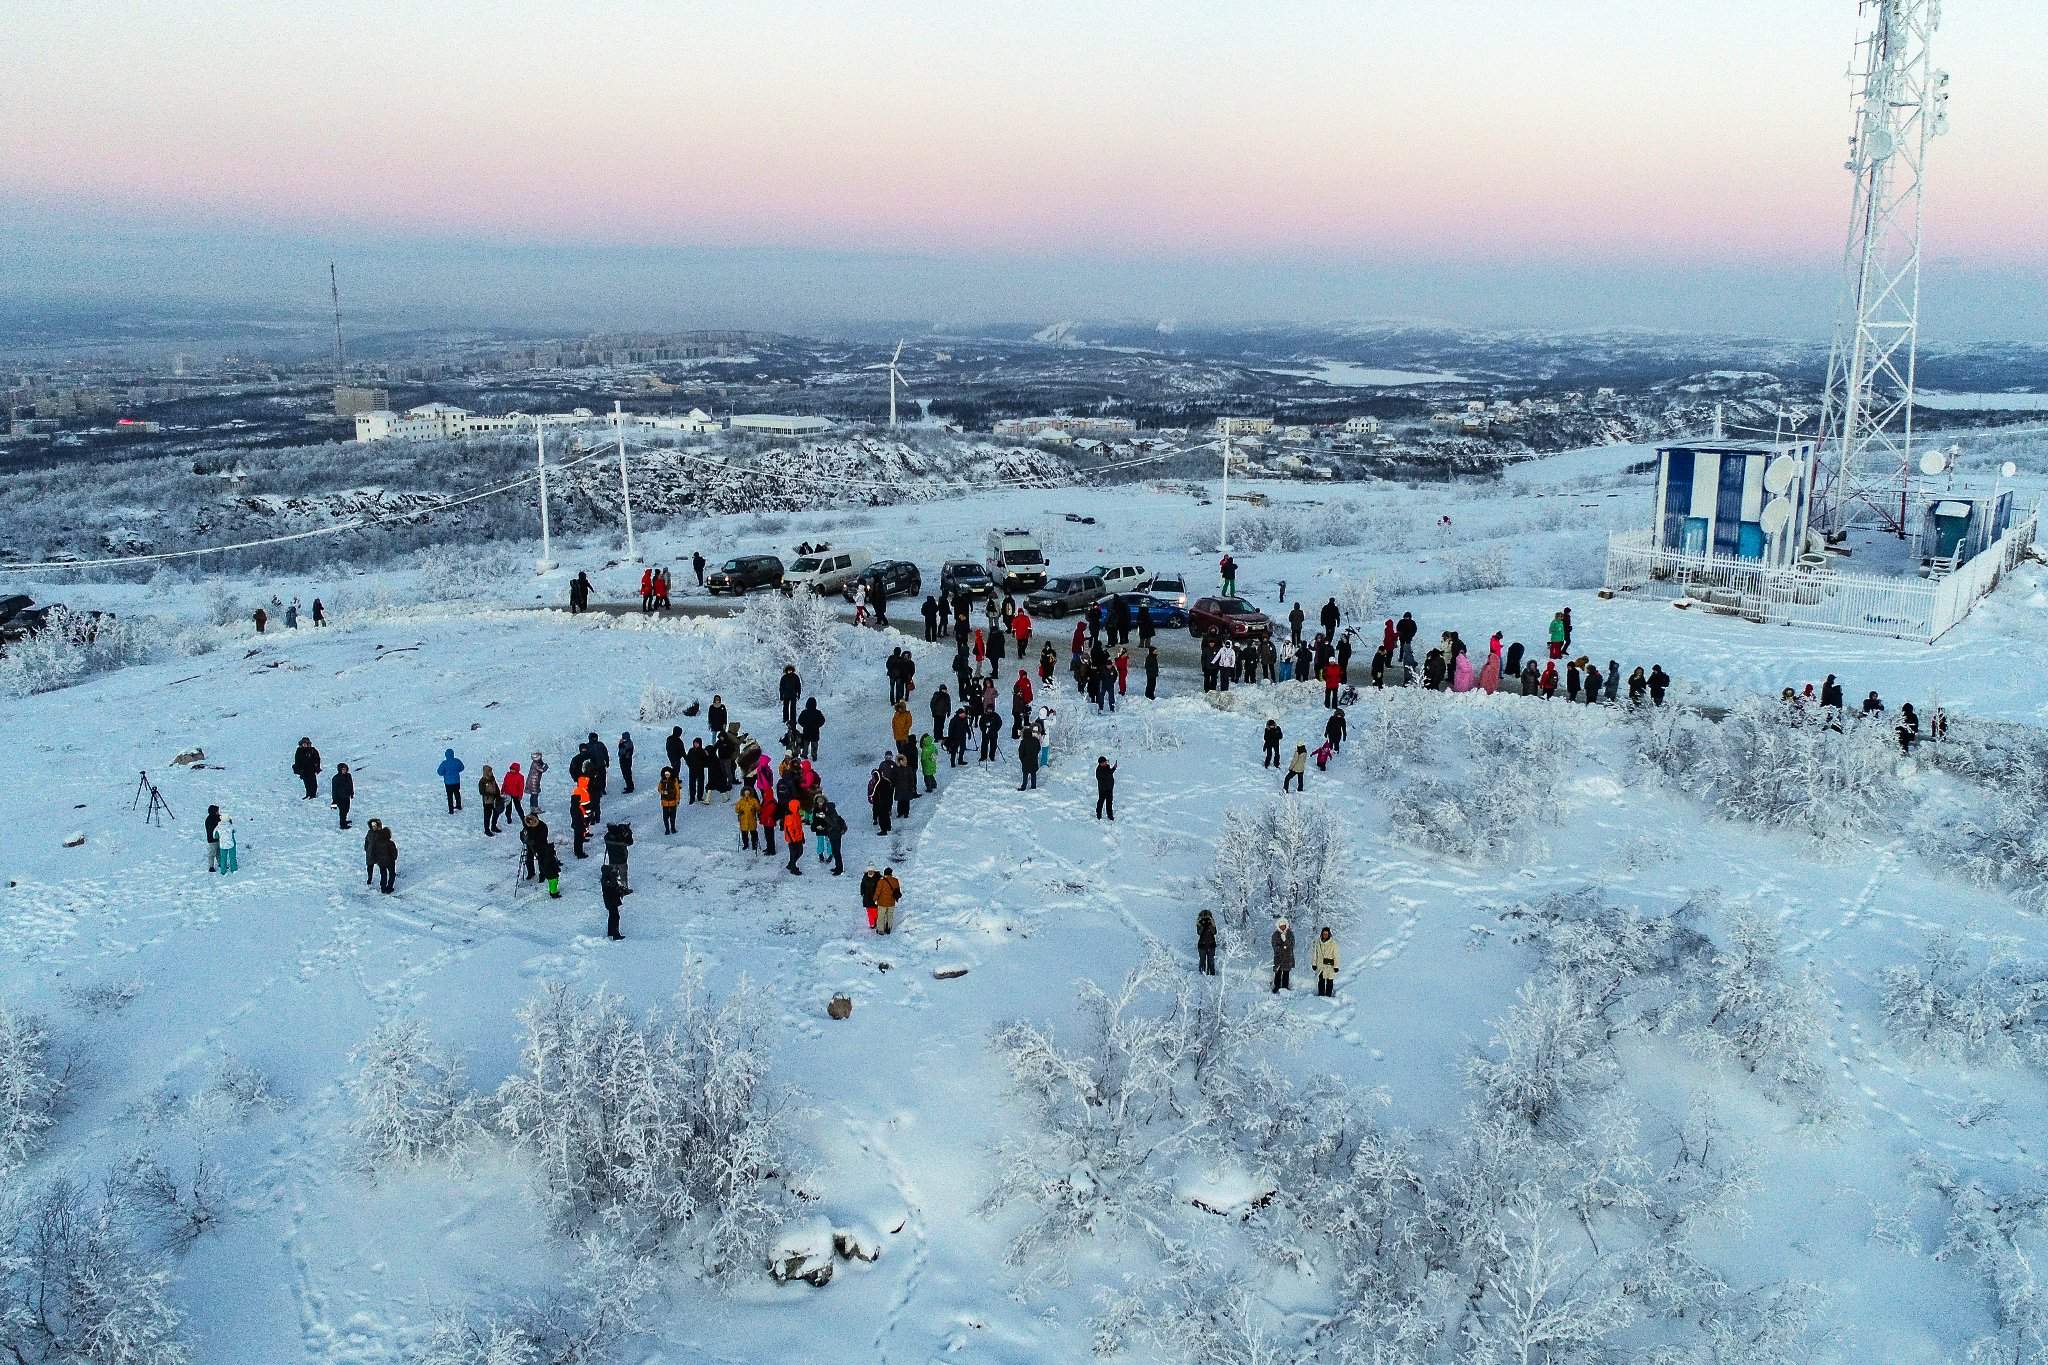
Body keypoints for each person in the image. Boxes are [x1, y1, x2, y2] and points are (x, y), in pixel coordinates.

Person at [1312, 927, 1339, 998]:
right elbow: (1315, 954)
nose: (1325, 935)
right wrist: (1314, 963)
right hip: (1320, 965)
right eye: (1324, 934)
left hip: (1329, 965)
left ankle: (1328, 996)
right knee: (1321, 981)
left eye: (1326, 934)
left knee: (1329, 981)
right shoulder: (1318, 942)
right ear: (1322, 934)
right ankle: (1321, 995)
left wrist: (1336, 966)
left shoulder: (1333, 943)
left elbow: (1336, 955)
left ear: (1329, 934)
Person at [600, 863, 626, 940]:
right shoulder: (607, 879)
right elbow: (612, 886)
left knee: (613, 916)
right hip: (611, 900)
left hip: (610, 900)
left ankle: (611, 932)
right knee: (615, 916)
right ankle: (615, 934)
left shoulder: (606, 878)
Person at [874, 866, 902, 934]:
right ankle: (888, 928)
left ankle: (881, 930)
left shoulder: (881, 881)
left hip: (882, 903)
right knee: (890, 916)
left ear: (884, 873)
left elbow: (878, 892)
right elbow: (897, 891)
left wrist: (874, 899)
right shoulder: (895, 880)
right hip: (891, 903)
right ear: (891, 873)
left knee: (881, 916)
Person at [371, 824, 398, 895]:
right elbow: (394, 853)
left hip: (380, 862)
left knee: (383, 874)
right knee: (392, 874)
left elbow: (374, 851)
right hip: (390, 861)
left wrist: (376, 860)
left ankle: (383, 887)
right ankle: (389, 888)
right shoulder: (390, 843)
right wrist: (394, 858)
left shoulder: (376, 843)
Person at [1271, 918, 1296, 993]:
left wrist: (1285, 940)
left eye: (1284, 925)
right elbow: (1274, 946)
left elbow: (1292, 945)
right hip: (1278, 957)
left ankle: (1285, 987)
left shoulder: (1290, 934)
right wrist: (1283, 947)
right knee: (1278, 972)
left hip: (1288, 957)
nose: (1282, 927)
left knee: (1286, 973)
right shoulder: (1275, 934)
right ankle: (1277, 987)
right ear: (1278, 926)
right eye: (1281, 926)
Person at [521, 813, 548, 880]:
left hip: (540, 845)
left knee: (541, 860)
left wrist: (534, 841)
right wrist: (524, 839)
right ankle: (531, 873)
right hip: (530, 845)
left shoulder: (543, 826)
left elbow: (543, 837)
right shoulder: (527, 824)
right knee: (528, 859)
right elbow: (523, 834)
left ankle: (542, 874)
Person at [782, 800, 806, 874]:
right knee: (794, 853)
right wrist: (793, 840)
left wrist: (802, 836)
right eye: (798, 806)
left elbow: (799, 827)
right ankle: (793, 868)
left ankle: (791, 864)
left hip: (798, 837)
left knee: (799, 852)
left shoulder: (796, 815)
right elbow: (789, 830)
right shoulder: (789, 816)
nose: (799, 808)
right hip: (793, 839)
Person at [437, 748, 464, 812]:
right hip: (457, 781)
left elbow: (439, 772)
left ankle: (451, 810)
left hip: (448, 783)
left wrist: (445, 774)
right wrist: (457, 771)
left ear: (446, 755)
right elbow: (462, 767)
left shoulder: (444, 763)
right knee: (457, 793)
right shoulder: (457, 761)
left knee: (449, 796)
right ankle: (459, 805)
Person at [479, 765, 502, 835]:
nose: (491, 773)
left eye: (491, 771)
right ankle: (487, 830)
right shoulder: (482, 781)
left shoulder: (493, 779)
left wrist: (498, 795)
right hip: (487, 801)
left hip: (495, 800)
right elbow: (482, 791)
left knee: (496, 813)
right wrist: (491, 794)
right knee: (487, 815)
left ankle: (493, 826)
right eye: (489, 771)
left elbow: (496, 787)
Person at [658, 766, 681, 833]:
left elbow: (677, 791)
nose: (667, 775)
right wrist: (662, 792)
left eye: (668, 774)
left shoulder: (674, 780)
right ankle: (667, 829)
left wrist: (677, 799)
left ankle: (673, 828)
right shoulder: (662, 781)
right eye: (666, 774)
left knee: (672, 817)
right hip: (665, 802)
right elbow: (659, 788)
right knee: (665, 817)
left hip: (673, 802)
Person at [1094, 756, 1118, 821]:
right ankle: (1098, 814)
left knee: (1109, 802)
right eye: (1104, 762)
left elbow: (1109, 772)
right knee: (1101, 802)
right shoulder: (1098, 771)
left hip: (1109, 788)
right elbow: (1105, 776)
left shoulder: (1107, 766)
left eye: (1106, 761)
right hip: (1103, 789)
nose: (1105, 763)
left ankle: (1110, 815)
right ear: (1100, 763)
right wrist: (1105, 787)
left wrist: (1114, 768)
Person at [1195, 909, 1218, 975]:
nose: (1205, 920)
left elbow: (1214, 932)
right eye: (1204, 917)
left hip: (1211, 944)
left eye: (1207, 917)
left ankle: (1212, 974)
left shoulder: (1211, 923)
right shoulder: (1200, 923)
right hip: (1202, 945)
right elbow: (1199, 933)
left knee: (1211, 961)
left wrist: (1211, 924)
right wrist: (1200, 924)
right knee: (1202, 961)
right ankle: (1202, 974)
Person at [1018, 726, 1042, 790]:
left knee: (1025, 775)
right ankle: (1033, 786)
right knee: (1033, 774)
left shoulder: (1023, 741)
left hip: (1025, 761)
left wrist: (1022, 759)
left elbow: (1020, 752)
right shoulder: (1036, 740)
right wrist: (1035, 755)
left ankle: (1023, 787)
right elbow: (1039, 748)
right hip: (1034, 760)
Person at [860, 866, 881, 931]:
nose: (870, 872)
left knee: (875, 911)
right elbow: (862, 886)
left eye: (871, 871)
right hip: (867, 898)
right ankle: (872, 923)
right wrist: (862, 892)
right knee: (870, 912)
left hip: (875, 898)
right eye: (869, 871)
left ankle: (875, 922)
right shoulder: (865, 877)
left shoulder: (878, 878)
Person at [206, 805, 223, 872]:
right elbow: (212, 829)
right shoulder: (209, 820)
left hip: (218, 839)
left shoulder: (218, 817)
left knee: (219, 852)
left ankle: (220, 863)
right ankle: (211, 866)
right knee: (212, 853)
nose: (218, 812)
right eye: (217, 811)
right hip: (212, 840)